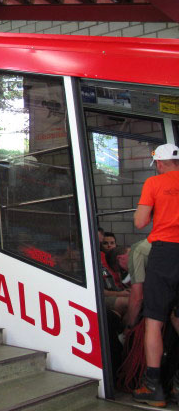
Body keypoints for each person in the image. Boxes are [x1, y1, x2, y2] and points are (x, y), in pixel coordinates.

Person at [132, 143, 179, 407]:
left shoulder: (154, 183)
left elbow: (140, 221)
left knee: (154, 321)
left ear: (159, 163)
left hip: (165, 254)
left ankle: (154, 389)